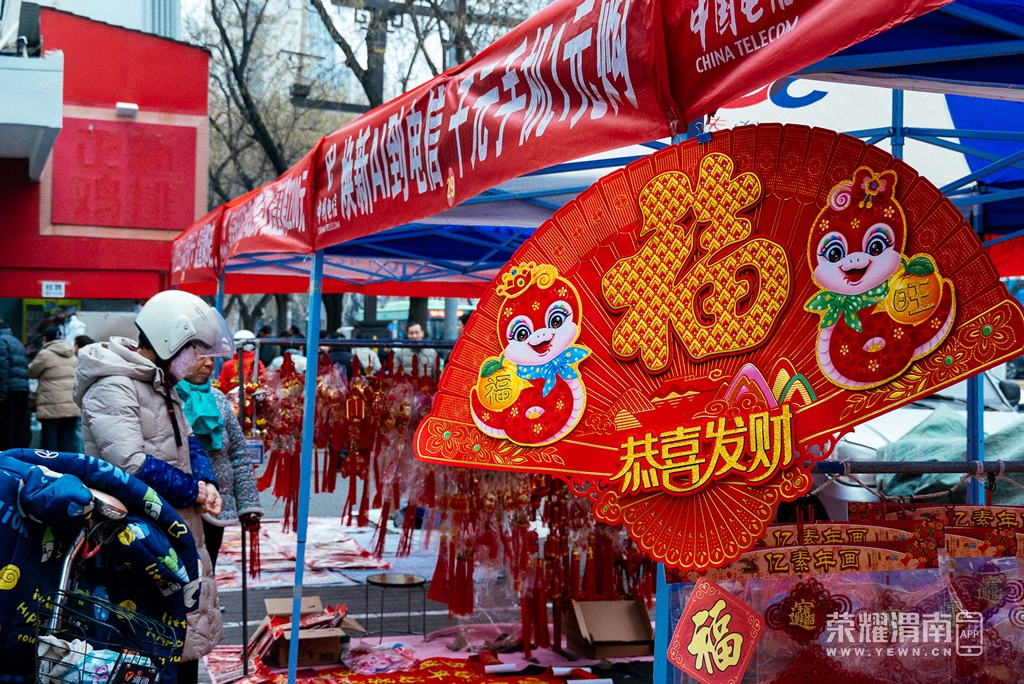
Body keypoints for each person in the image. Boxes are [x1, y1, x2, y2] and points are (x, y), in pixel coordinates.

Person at [74, 290, 232, 684]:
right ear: (168, 339)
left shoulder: (161, 383)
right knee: (145, 649)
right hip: (138, 539)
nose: (198, 359)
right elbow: (130, 465)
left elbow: (189, 440)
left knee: (185, 641)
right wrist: (193, 491)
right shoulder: (113, 385)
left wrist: (206, 481)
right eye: (193, 348)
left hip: (177, 527)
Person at [177, 354, 263, 569]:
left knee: (208, 568)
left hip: (216, 505)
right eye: (199, 357)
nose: (208, 363)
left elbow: (238, 453)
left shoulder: (218, 398)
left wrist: (248, 505)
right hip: (178, 502)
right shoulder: (165, 397)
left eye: (211, 358)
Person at [28, 326, 80, 452]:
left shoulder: (45, 354)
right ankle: (66, 465)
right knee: (67, 444)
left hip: (50, 407)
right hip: (71, 406)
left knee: (50, 444)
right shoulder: (71, 354)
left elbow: (32, 372)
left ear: (45, 339)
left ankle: (51, 465)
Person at [0, 319, 30, 450]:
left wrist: (1, 393)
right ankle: (18, 456)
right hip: (21, 389)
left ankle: (6, 457)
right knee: (18, 427)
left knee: (5, 428)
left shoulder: (1, 341)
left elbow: (2, 368)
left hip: (9, 391)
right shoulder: (17, 342)